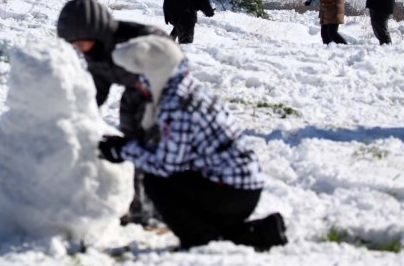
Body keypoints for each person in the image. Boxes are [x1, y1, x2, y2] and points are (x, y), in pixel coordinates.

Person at [98, 35, 287, 251]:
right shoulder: (187, 88)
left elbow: (166, 165)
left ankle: (199, 241)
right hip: (241, 185)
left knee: (156, 182)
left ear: (155, 73)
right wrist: (126, 147)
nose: (136, 86)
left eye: (139, 78)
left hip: (231, 190)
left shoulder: (174, 104)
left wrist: (123, 150)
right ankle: (261, 233)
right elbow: (174, 152)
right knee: (181, 190)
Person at [56, 0, 167, 226]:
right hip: (132, 98)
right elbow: (98, 86)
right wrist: (83, 112)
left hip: (160, 98)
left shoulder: (138, 38)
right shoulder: (94, 51)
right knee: (132, 147)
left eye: (79, 42)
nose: (77, 47)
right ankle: (138, 207)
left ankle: (161, 208)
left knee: (153, 150)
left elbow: (170, 61)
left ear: (94, 32)